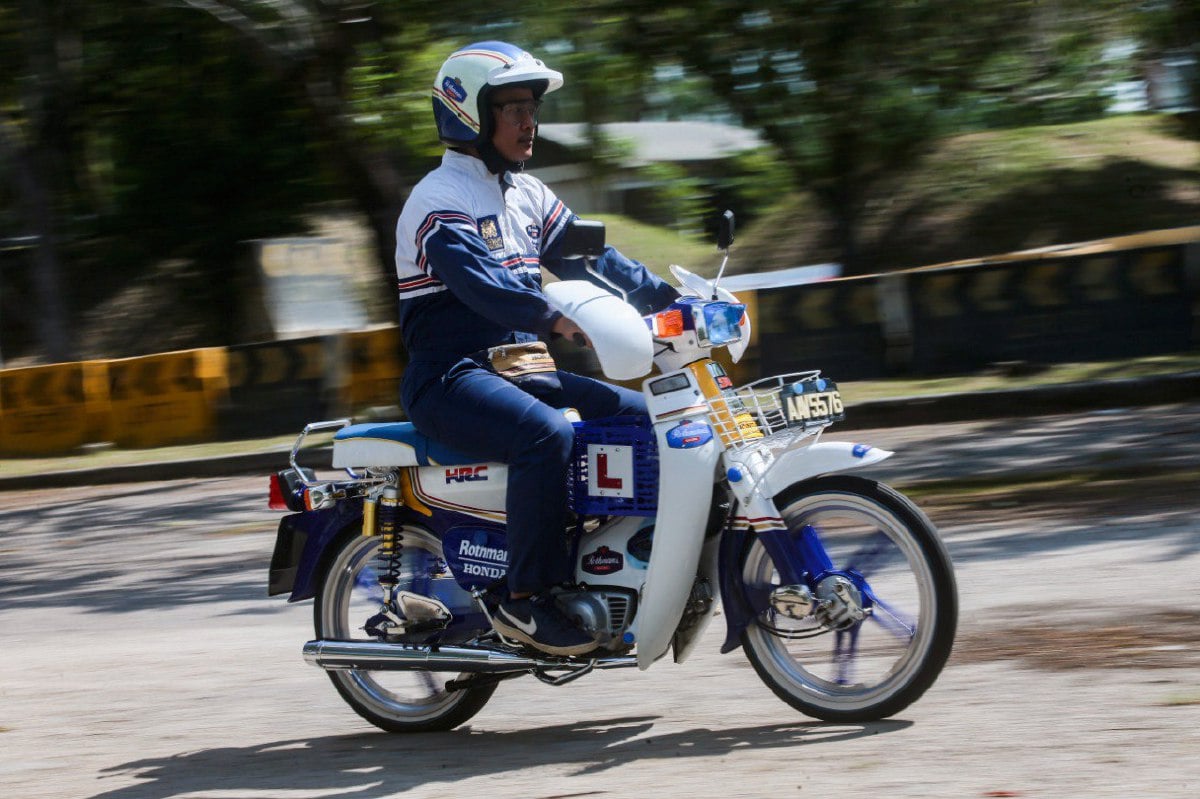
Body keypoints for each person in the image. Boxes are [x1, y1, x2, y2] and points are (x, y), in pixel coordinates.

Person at [394, 41, 679, 657]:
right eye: (512, 108)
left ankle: (614, 568)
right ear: (468, 113)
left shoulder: (526, 194)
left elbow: (594, 260)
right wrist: (553, 315)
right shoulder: (438, 199)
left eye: (531, 107)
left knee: (645, 419)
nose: (529, 121)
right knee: (547, 435)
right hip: (450, 378)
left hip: (521, 371)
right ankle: (526, 599)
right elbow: (481, 285)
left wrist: (672, 302)